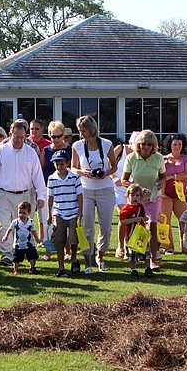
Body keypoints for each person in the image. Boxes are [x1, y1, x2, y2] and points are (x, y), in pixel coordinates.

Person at [0, 118, 47, 267]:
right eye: (16, 136)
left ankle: (21, 254)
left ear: (25, 136)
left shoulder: (31, 153)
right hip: (4, 194)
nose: (19, 140)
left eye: (21, 137)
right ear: (10, 134)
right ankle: (7, 254)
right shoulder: (1, 151)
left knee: (22, 227)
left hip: (25, 195)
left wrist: (41, 195)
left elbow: (37, 176)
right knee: (5, 225)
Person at [73, 115, 118, 273]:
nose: (81, 134)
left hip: (105, 189)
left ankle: (101, 256)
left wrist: (104, 173)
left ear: (91, 129)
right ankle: (88, 260)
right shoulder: (77, 145)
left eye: (83, 130)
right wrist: (82, 172)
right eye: (80, 131)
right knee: (87, 227)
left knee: (105, 228)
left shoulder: (106, 144)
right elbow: (73, 167)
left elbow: (114, 167)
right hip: (85, 190)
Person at [121, 129, 165, 270]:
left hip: (153, 197)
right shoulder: (131, 158)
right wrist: (137, 188)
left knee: (152, 225)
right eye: (143, 144)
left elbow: (163, 175)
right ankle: (135, 254)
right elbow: (124, 180)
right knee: (136, 227)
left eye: (149, 145)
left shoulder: (158, 158)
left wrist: (160, 182)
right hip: (136, 199)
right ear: (138, 144)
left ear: (153, 146)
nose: (146, 147)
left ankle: (151, 259)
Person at [47, 149, 82, 277]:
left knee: (73, 238)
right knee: (59, 239)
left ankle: (73, 258)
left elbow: (80, 195)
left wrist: (80, 211)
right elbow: (50, 197)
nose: (59, 166)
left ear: (67, 163)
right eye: (56, 164)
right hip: (59, 212)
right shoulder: (52, 178)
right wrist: (50, 214)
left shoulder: (74, 177)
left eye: (61, 163)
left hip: (73, 211)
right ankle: (61, 267)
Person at [41, 121, 71, 262]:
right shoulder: (46, 151)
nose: (56, 139)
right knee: (49, 222)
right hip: (50, 189)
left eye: (59, 136)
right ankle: (48, 251)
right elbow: (40, 171)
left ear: (64, 135)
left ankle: (68, 251)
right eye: (53, 136)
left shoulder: (70, 150)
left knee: (67, 222)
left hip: (67, 191)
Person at [160, 133, 187, 254]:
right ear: (170, 145)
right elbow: (160, 175)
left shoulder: (186, 158)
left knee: (185, 220)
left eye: (179, 144)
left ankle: (186, 246)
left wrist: (171, 177)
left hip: (180, 195)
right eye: (175, 144)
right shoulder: (163, 159)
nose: (177, 147)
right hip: (165, 195)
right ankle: (167, 247)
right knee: (164, 220)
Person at [112, 132, 136, 259]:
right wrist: (113, 177)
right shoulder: (120, 149)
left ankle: (132, 246)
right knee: (124, 215)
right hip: (118, 188)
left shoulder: (141, 153)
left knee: (134, 217)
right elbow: (107, 164)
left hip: (134, 189)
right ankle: (121, 246)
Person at [119, 184, 153, 278]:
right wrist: (134, 220)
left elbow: (143, 216)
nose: (135, 198)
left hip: (140, 233)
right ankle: (133, 269)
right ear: (127, 196)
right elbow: (123, 221)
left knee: (146, 251)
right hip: (131, 234)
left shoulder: (140, 207)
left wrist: (144, 218)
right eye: (132, 195)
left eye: (137, 196)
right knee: (132, 253)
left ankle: (147, 268)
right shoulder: (125, 209)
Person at [2, 201, 39, 275]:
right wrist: (6, 236)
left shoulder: (30, 222)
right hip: (19, 244)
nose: (21, 215)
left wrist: (37, 238)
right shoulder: (16, 222)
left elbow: (33, 230)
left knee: (32, 256)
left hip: (29, 243)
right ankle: (16, 269)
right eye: (20, 213)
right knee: (17, 257)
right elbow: (10, 229)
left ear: (29, 213)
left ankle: (32, 267)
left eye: (24, 213)